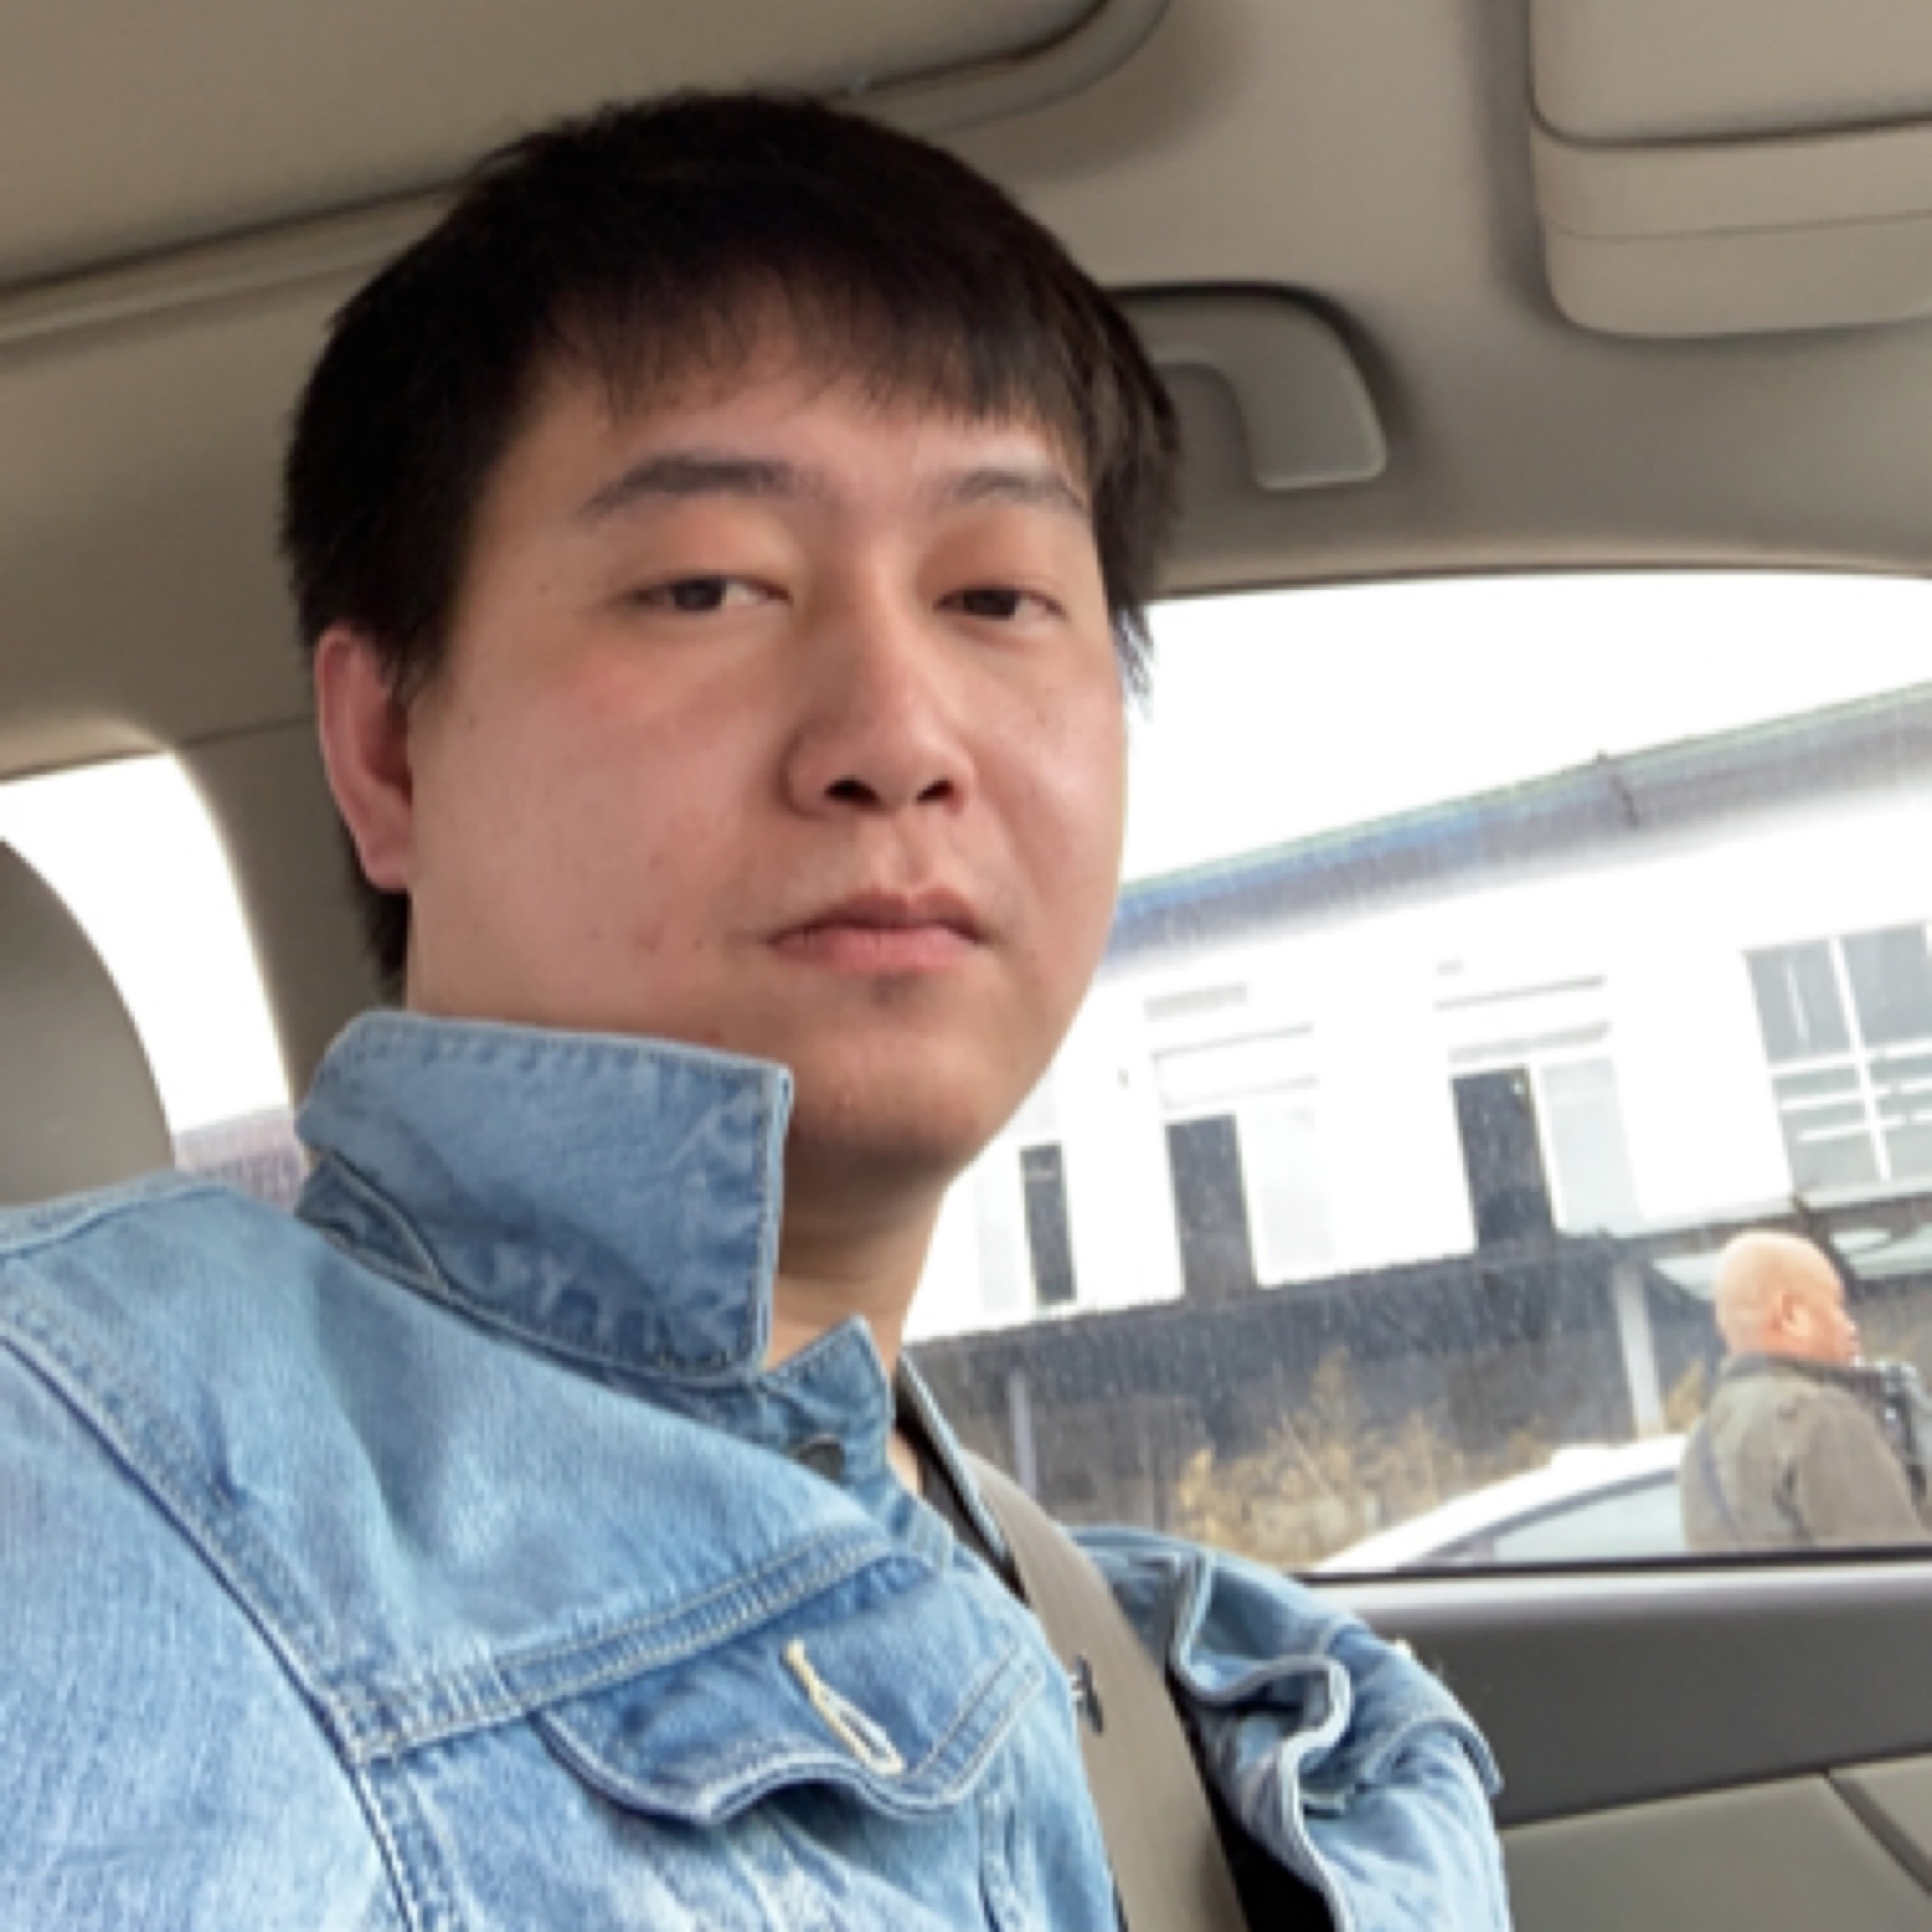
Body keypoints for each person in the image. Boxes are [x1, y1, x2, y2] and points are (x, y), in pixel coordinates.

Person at [0, 95, 1507, 1930]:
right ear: (388, 750)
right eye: (706, 585)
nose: (897, 738)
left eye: (998, 595)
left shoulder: (1229, 1690)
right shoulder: (80, 1475)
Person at [1682, 1230, 1931, 1552]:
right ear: (1790, 1315)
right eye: (1837, 1306)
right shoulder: (1821, 1414)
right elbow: (1897, 1568)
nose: (1851, 1327)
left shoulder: (1702, 1438)